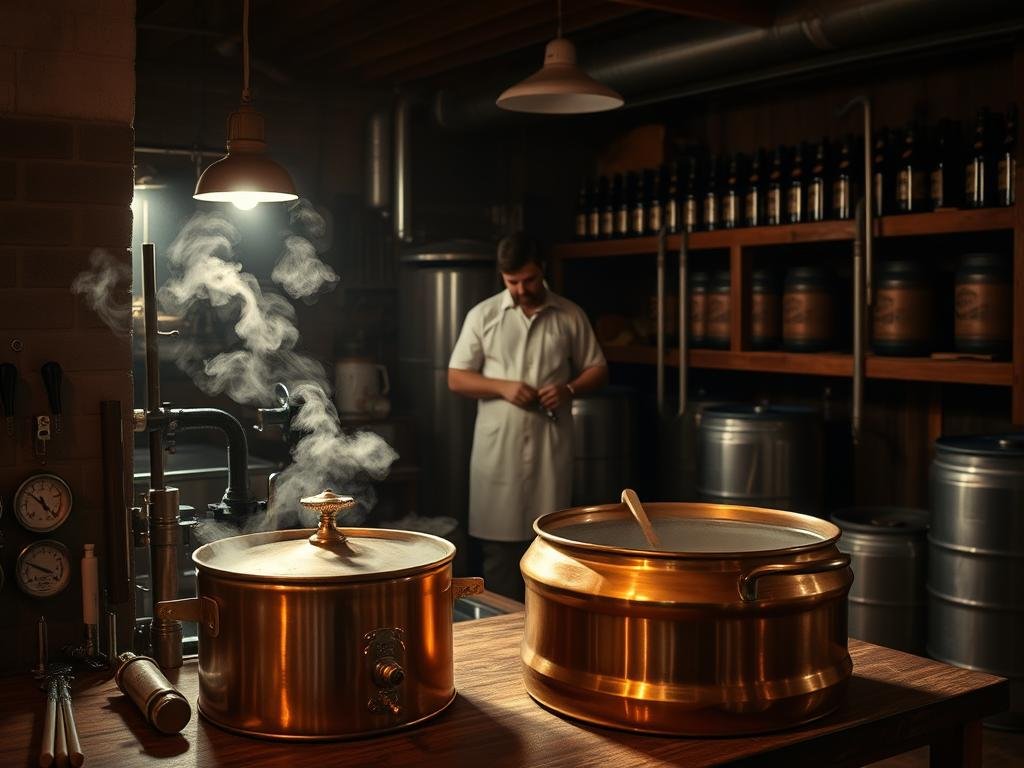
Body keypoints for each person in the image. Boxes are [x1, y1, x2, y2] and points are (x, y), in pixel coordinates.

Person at [448, 233, 608, 600]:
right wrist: (502, 387)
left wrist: (568, 389)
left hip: (550, 446)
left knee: (554, 549)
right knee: (499, 556)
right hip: (498, 451)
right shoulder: (484, 315)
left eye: (529, 280)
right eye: (512, 282)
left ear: (543, 270)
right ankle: (500, 633)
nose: (521, 289)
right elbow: (456, 377)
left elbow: (598, 368)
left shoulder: (569, 314)